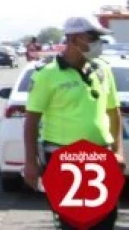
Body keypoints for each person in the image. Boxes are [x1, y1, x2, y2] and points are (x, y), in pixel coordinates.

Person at [23, 17, 125, 229]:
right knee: (73, 222)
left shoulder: (102, 70)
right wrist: (31, 162)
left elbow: (114, 113)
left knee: (106, 221)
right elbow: (31, 121)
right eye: (94, 38)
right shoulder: (47, 75)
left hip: (101, 157)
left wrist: (118, 151)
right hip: (64, 159)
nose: (99, 44)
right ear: (75, 39)